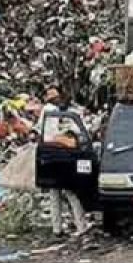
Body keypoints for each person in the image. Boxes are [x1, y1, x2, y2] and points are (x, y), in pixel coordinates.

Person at [36, 89, 89, 237]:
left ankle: (57, 229)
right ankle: (81, 227)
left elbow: (41, 132)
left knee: (54, 196)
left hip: (49, 157)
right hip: (62, 159)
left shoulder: (45, 113)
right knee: (71, 194)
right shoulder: (55, 112)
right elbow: (60, 135)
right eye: (56, 98)